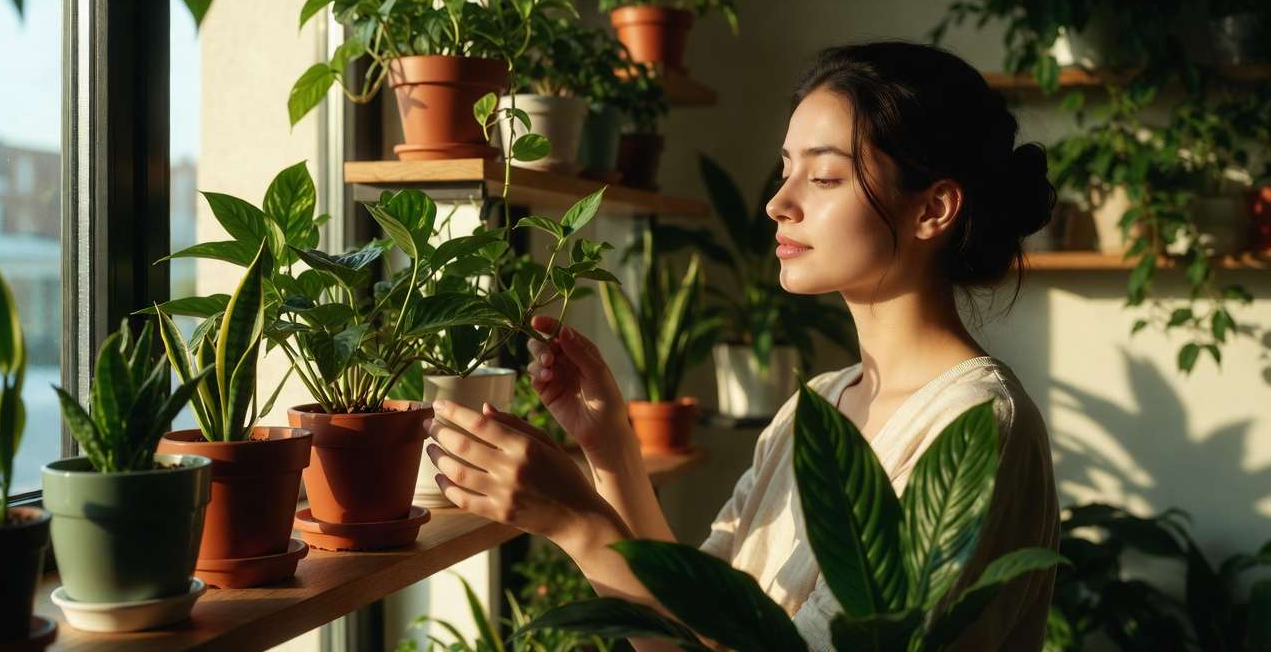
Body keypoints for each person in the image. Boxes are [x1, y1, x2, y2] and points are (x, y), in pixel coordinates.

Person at [420, 41, 1061, 651]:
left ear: (933, 210)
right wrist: (609, 447)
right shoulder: (816, 408)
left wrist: (578, 524)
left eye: (827, 177)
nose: (779, 203)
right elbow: (695, 619)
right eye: (786, 171)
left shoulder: (977, 426)